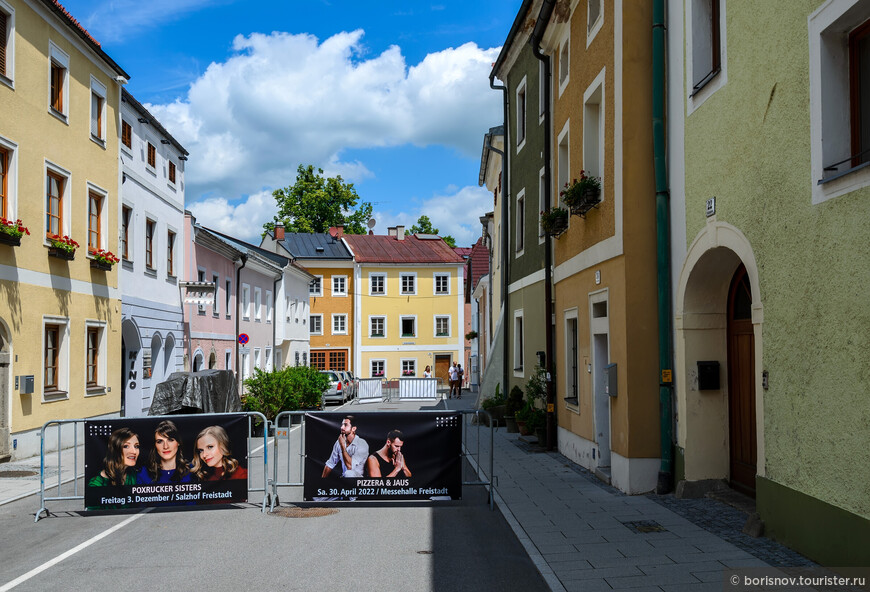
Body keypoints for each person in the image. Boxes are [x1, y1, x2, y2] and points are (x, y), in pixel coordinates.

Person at [137, 420, 191, 484]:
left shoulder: (192, 471)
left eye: (170, 440)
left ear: (178, 442)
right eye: (160, 441)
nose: (165, 446)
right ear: (155, 445)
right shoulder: (143, 473)